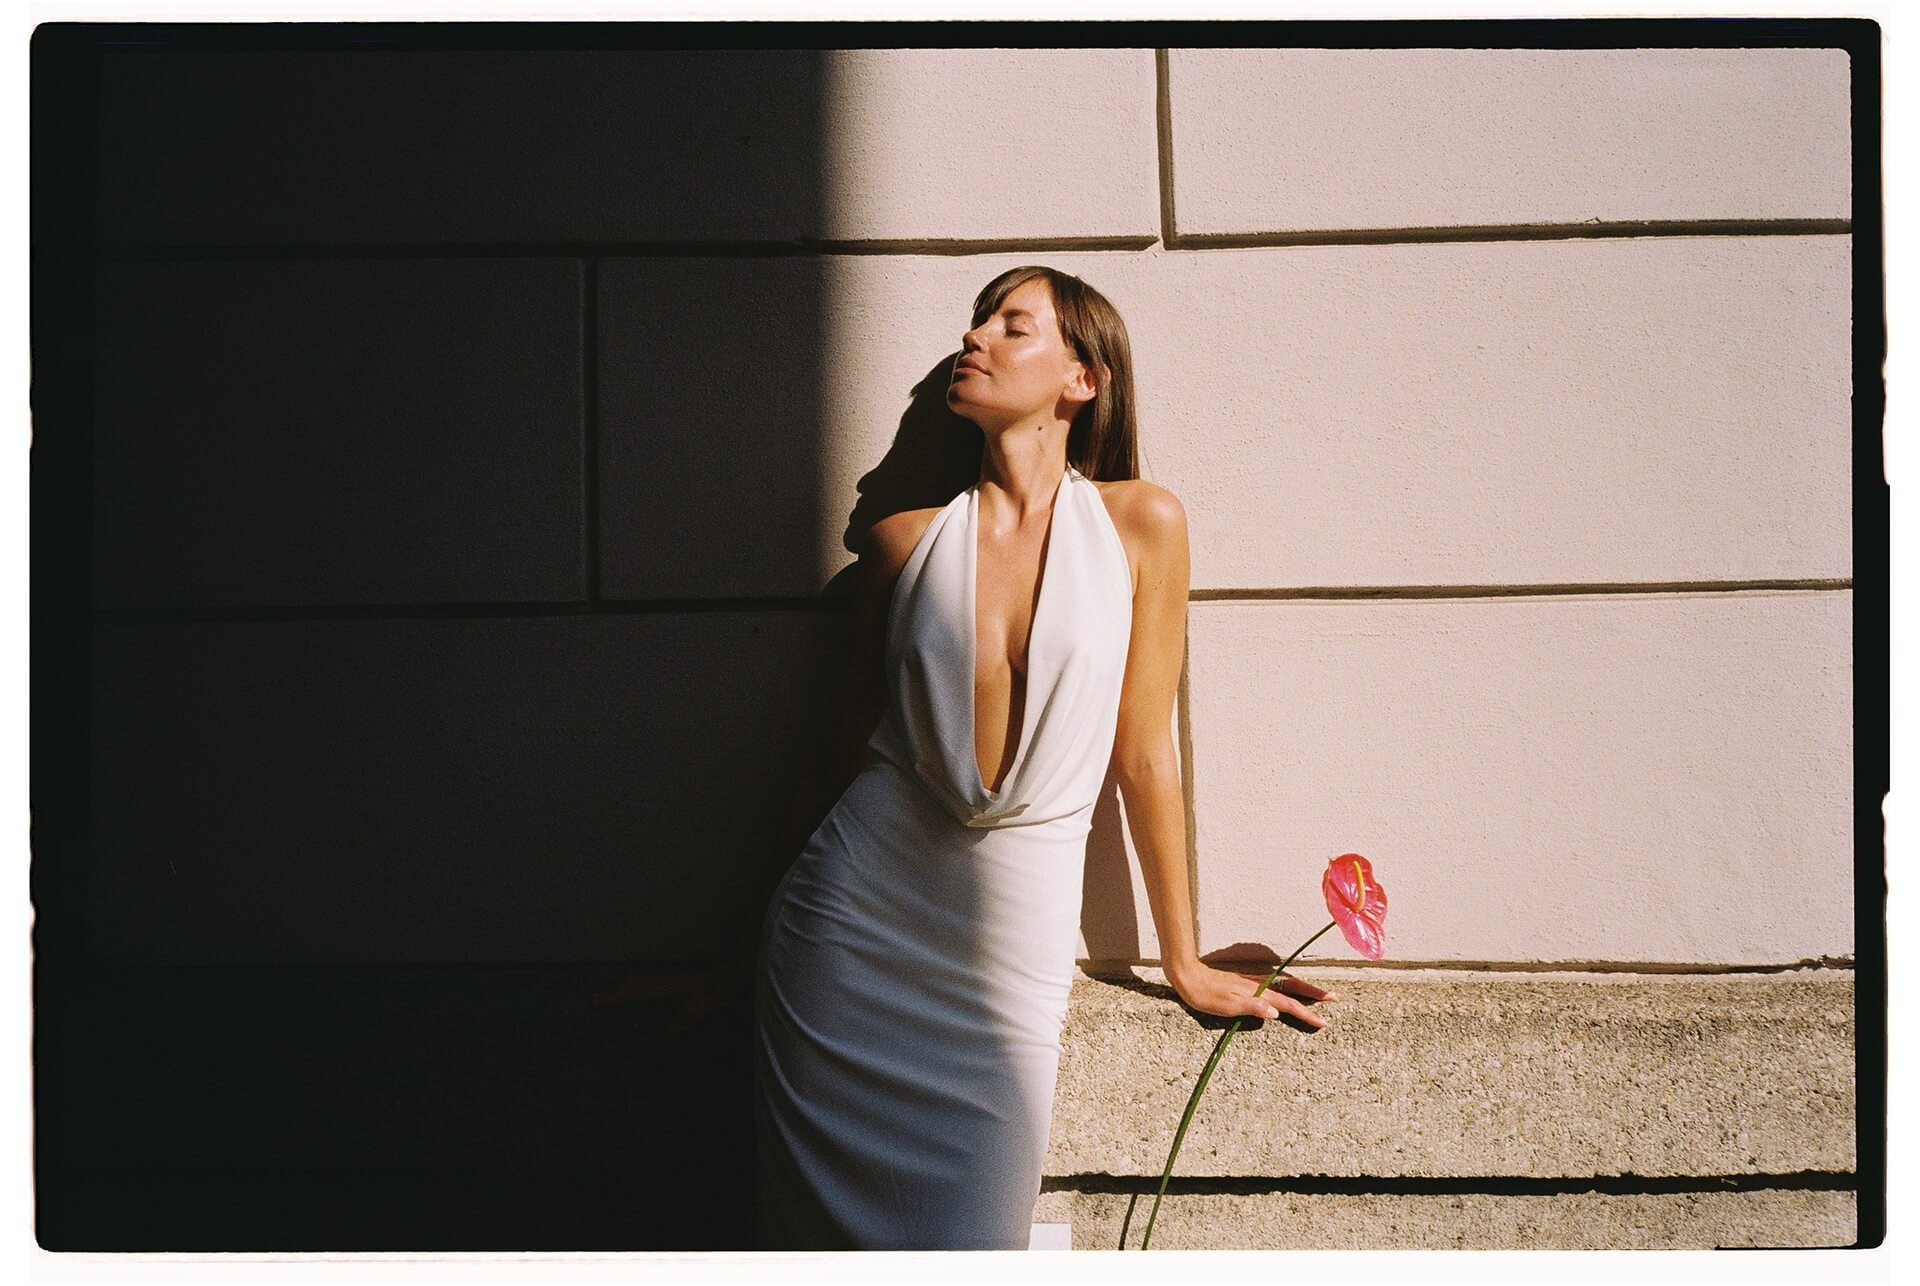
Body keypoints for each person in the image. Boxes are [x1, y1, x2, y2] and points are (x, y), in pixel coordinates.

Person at [746, 266, 1334, 1249]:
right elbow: (831, 761)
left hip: (1007, 948)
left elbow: (1145, 753)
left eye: (1012, 326)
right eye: (977, 322)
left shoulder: (1142, 524)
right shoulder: (899, 545)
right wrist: (735, 952)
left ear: (1081, 378)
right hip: (845, 940)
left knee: (977, 1234)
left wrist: (1180, 957)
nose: (976, 339)